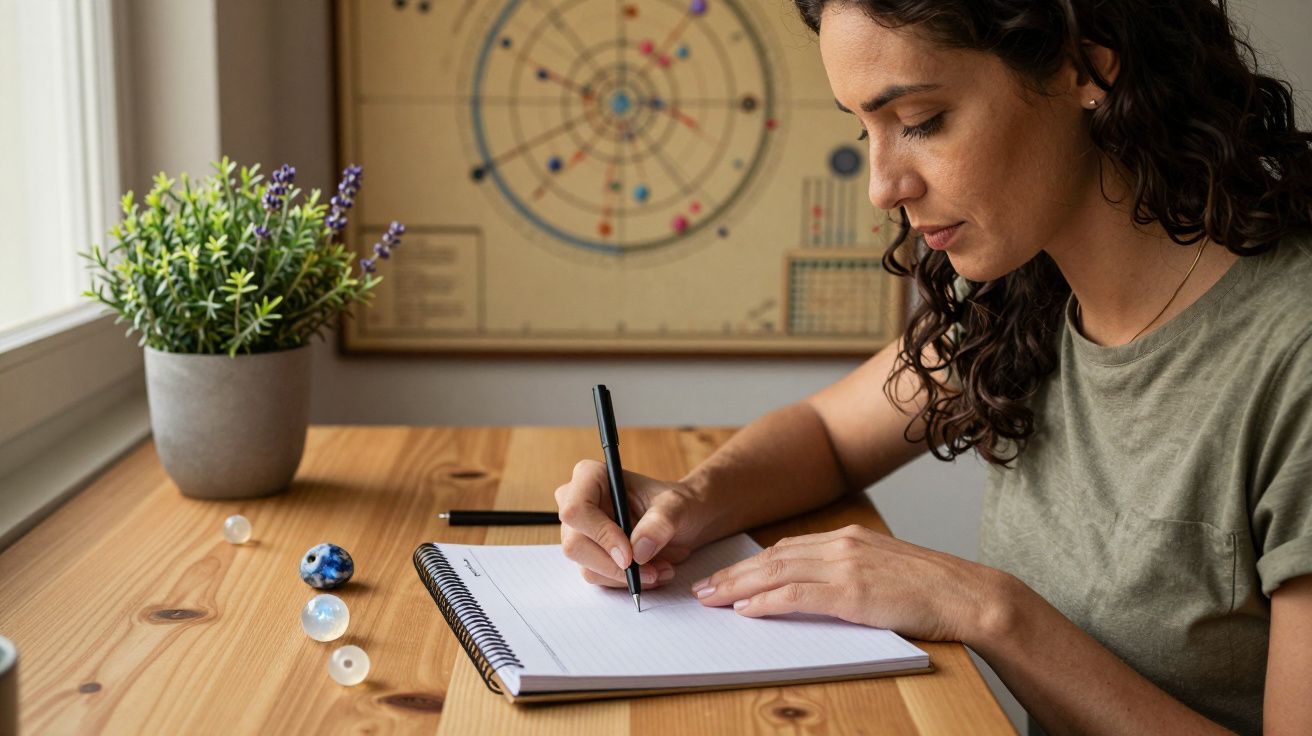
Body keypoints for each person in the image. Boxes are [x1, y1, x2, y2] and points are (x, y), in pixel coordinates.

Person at [553, 1, 1312, 733]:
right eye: (867, 129)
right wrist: (684, 505)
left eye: (920, 122)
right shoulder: (1029, 287)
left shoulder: (1292, 356)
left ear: (1089, 68)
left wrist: (988, 611)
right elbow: (829, 434)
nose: (884, 185)